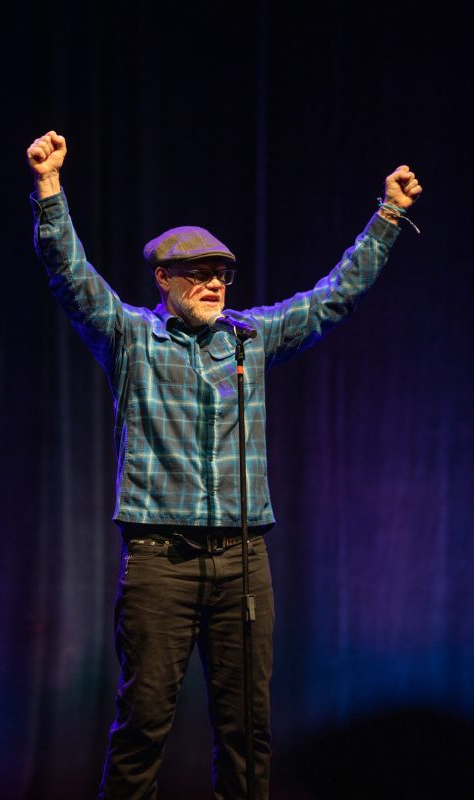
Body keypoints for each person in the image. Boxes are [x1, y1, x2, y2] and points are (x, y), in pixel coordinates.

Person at [27, 130, 422, 800]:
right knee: (143, 724)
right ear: (164, 279)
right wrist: (48, 190)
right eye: (199, 274)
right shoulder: (130, 339)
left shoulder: (251, 339)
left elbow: (333, 297)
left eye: (222, 274)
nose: (214, 283)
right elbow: (70, 276)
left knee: (247, 729)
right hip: (160, 563)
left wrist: (385, 216)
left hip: (242, 562)